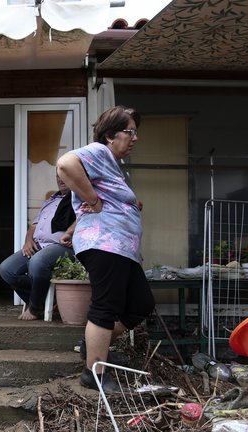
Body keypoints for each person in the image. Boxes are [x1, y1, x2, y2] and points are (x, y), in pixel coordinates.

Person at [56, 106, 155, 393]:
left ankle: (93, 345)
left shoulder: (110, 163)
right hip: (105, 245)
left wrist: (128, 205)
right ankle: (94, 371)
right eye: (130, 132)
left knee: (140, 304)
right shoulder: (99, 151)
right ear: (110, 135)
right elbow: (65, 164)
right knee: (106, 306)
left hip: (119, 247)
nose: (135, 138)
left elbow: (90, 208)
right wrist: (94, 200)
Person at [0, 174, 75, 321]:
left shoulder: (78, 198)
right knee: (6, 269)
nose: (60, 179)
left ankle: (35, 308)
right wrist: (28, 241)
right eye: (58, 176)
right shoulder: (50, 201)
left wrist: (71, 233)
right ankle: (49, 299)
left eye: (64, 175)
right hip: (38, 245)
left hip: (62, 247)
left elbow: (84, 218)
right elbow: (33, 226)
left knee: (37, 262)